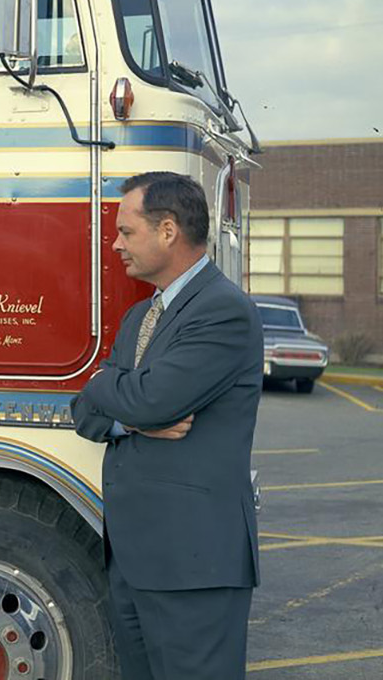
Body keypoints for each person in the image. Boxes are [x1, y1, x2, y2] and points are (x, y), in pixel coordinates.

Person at [71, 171, 262, 680]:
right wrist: (128, 418)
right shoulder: (140, 317)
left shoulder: (224, 311)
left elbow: (152, 399)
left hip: (192, 566)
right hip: (137, 563)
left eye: (126, 232)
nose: (115, 245)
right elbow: (86, 412)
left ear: (169, 230)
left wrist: (110, 388)